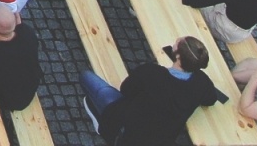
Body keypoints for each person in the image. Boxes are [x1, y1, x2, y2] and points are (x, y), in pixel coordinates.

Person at [81, 37, 224, 144]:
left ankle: (102, 124)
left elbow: (125, 90)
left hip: (125, 134)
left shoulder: (150, 73)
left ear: (178, 56)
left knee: (86, 77)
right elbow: (211, 99)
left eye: (176, 44)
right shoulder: (202, 83)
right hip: (160, 141)